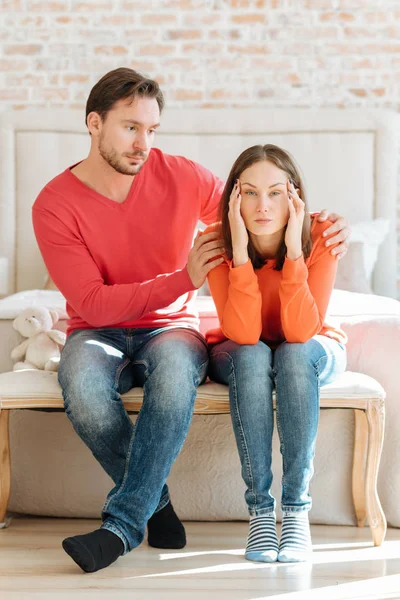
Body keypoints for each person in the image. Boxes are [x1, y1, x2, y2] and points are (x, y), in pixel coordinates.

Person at [32, 68, 350, 573]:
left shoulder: (182, 175)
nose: (143, 143)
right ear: (94, 123)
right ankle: (151, 505)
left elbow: (252, 204)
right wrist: (183, 278)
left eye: (152, 129)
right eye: (130, 127)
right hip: (97, 328)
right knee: (84, 388)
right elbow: (91, 303)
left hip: (170, 329)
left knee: (178, 375)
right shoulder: (54, 203)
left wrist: (318, 226)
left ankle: (120, 527)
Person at [206, 144, 347, 564]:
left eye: (275, 192)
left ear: (294, 195)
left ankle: (297, 512)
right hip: (240, 349)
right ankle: (261, 514)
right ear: (233, 197)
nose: (262, 205)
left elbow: (303, 331)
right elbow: (245, 333)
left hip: (311, 348)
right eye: (249, 192)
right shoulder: (215, 243)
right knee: (252, 356)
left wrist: (295, 250)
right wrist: (236, 243)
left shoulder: (322, 233)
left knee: (291, 355)